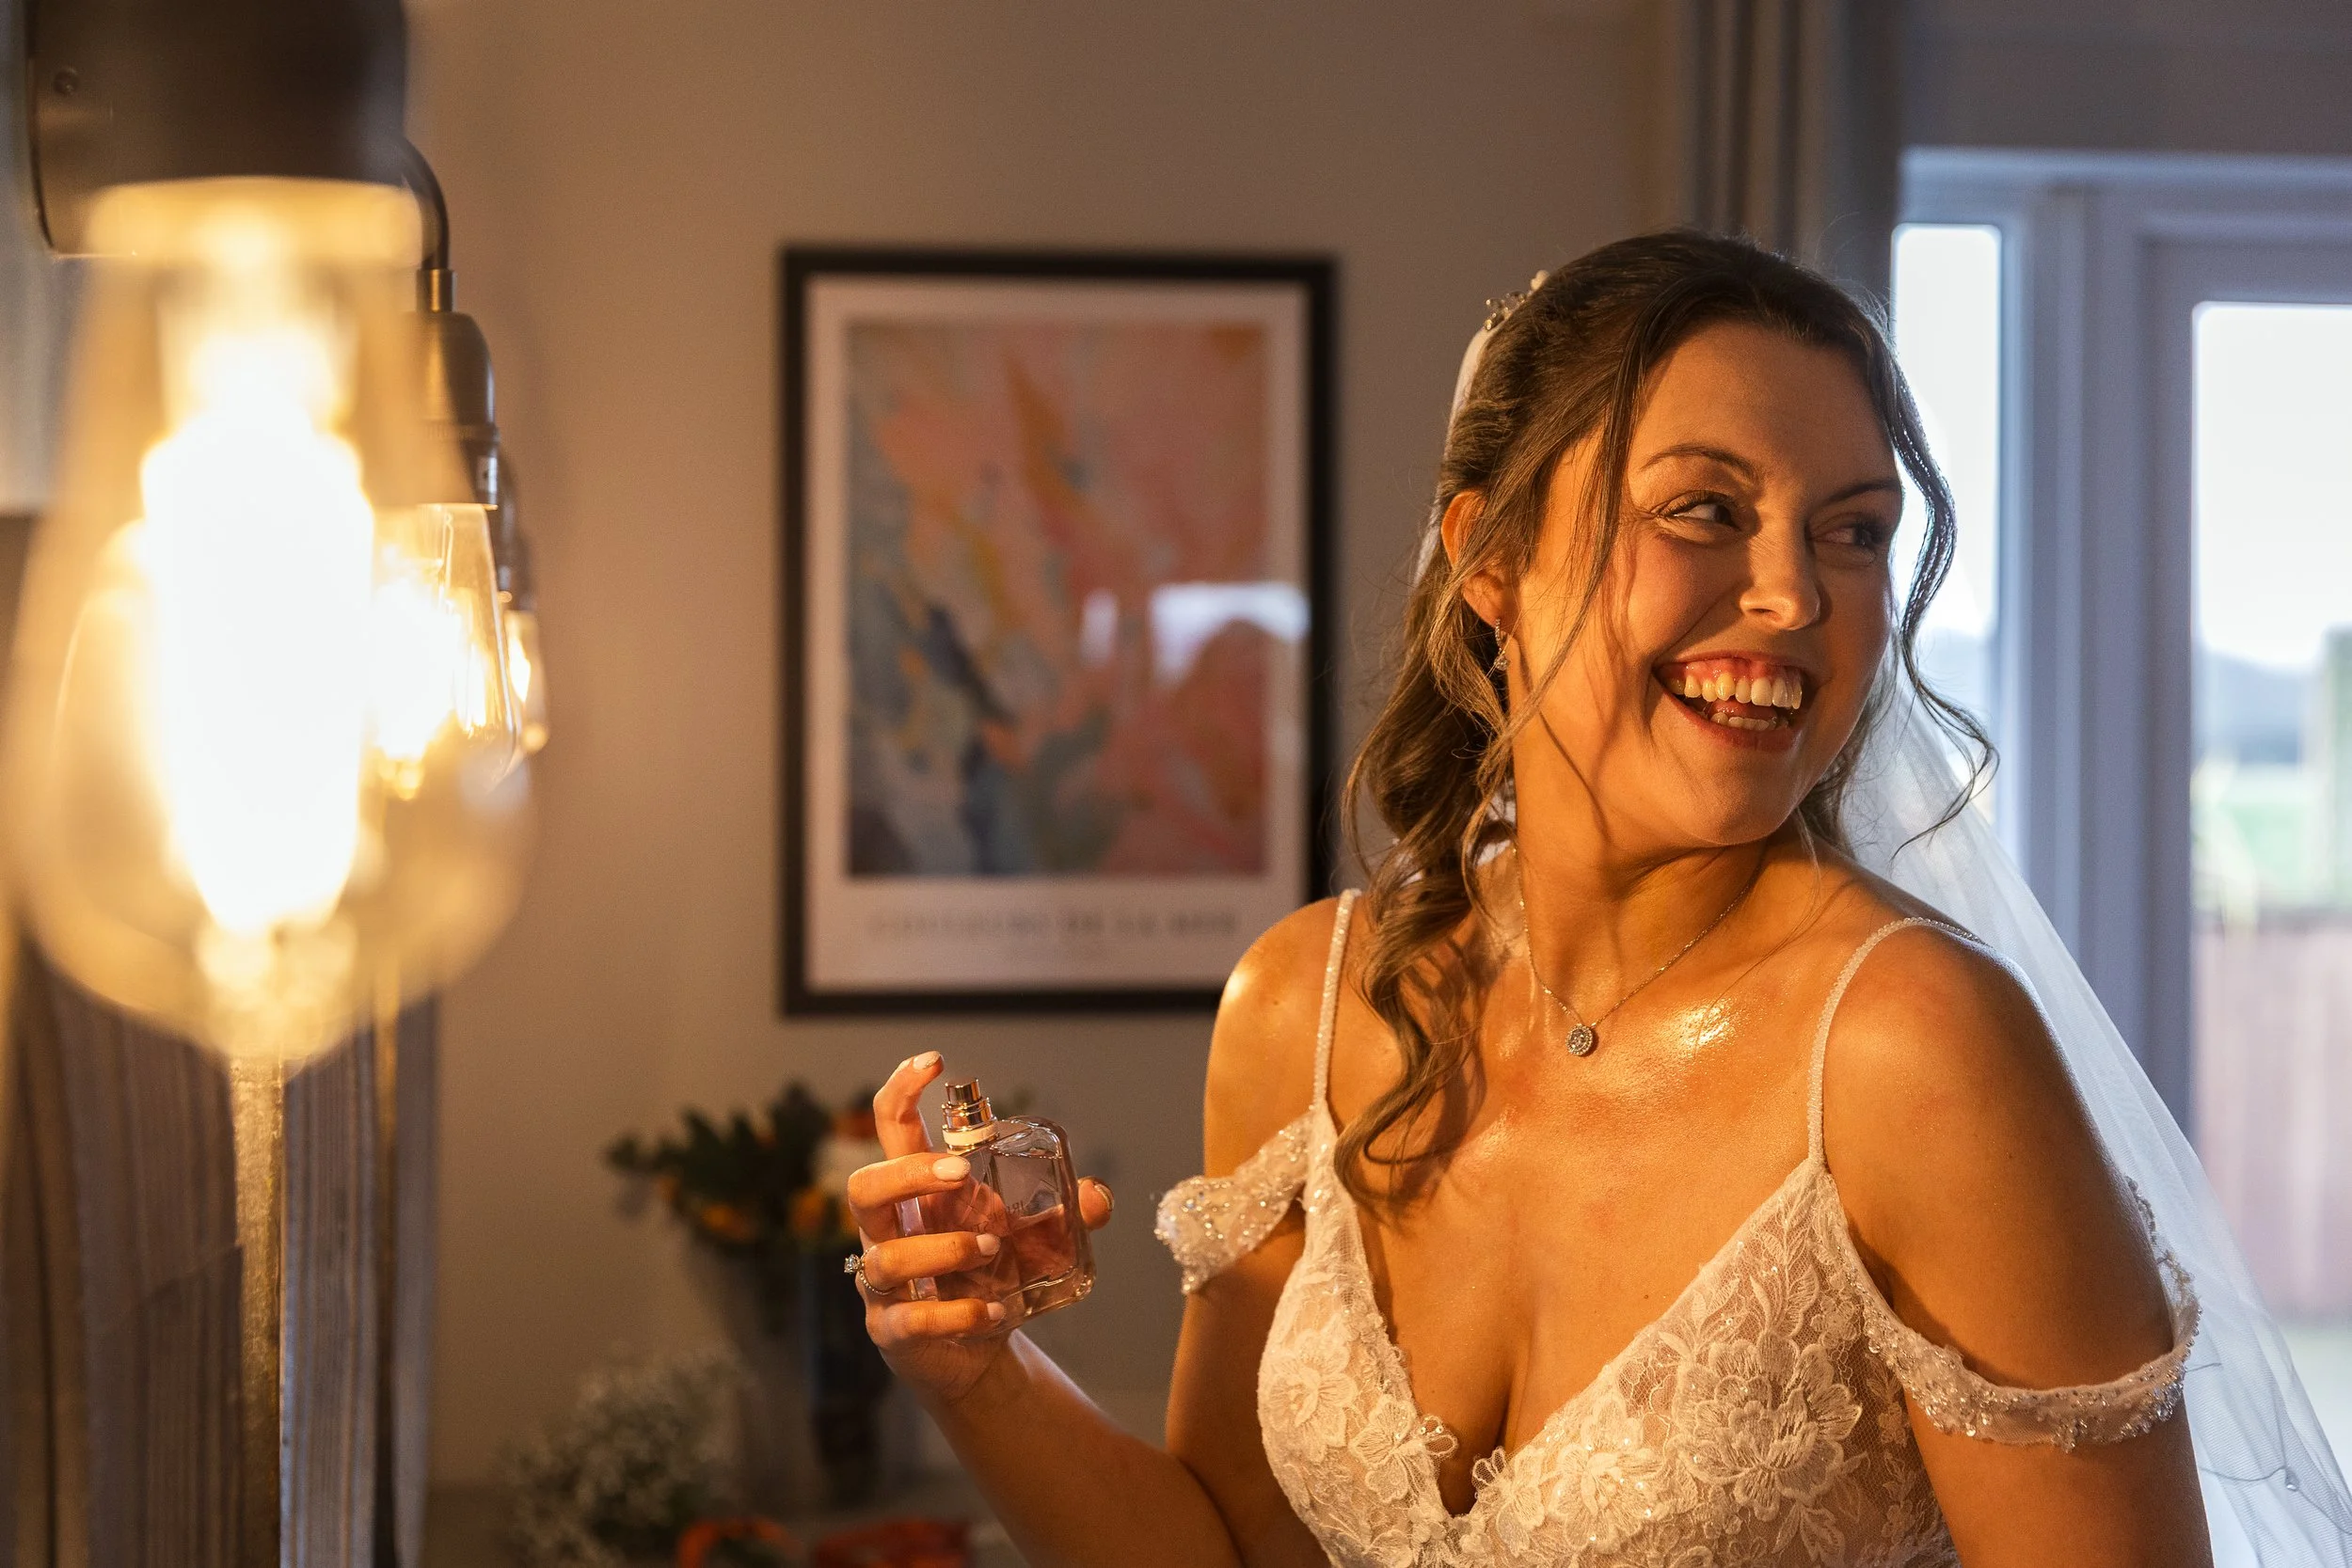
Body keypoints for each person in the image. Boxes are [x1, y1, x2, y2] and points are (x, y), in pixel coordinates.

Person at [843, 231, 2346, 1566]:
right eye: (1705, 509)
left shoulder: (1916, 1053)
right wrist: (974, 1371)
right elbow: (1236, 1550)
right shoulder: (1304, 1011)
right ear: (1489, 558)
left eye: (1854, 529)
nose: (1798, 597)